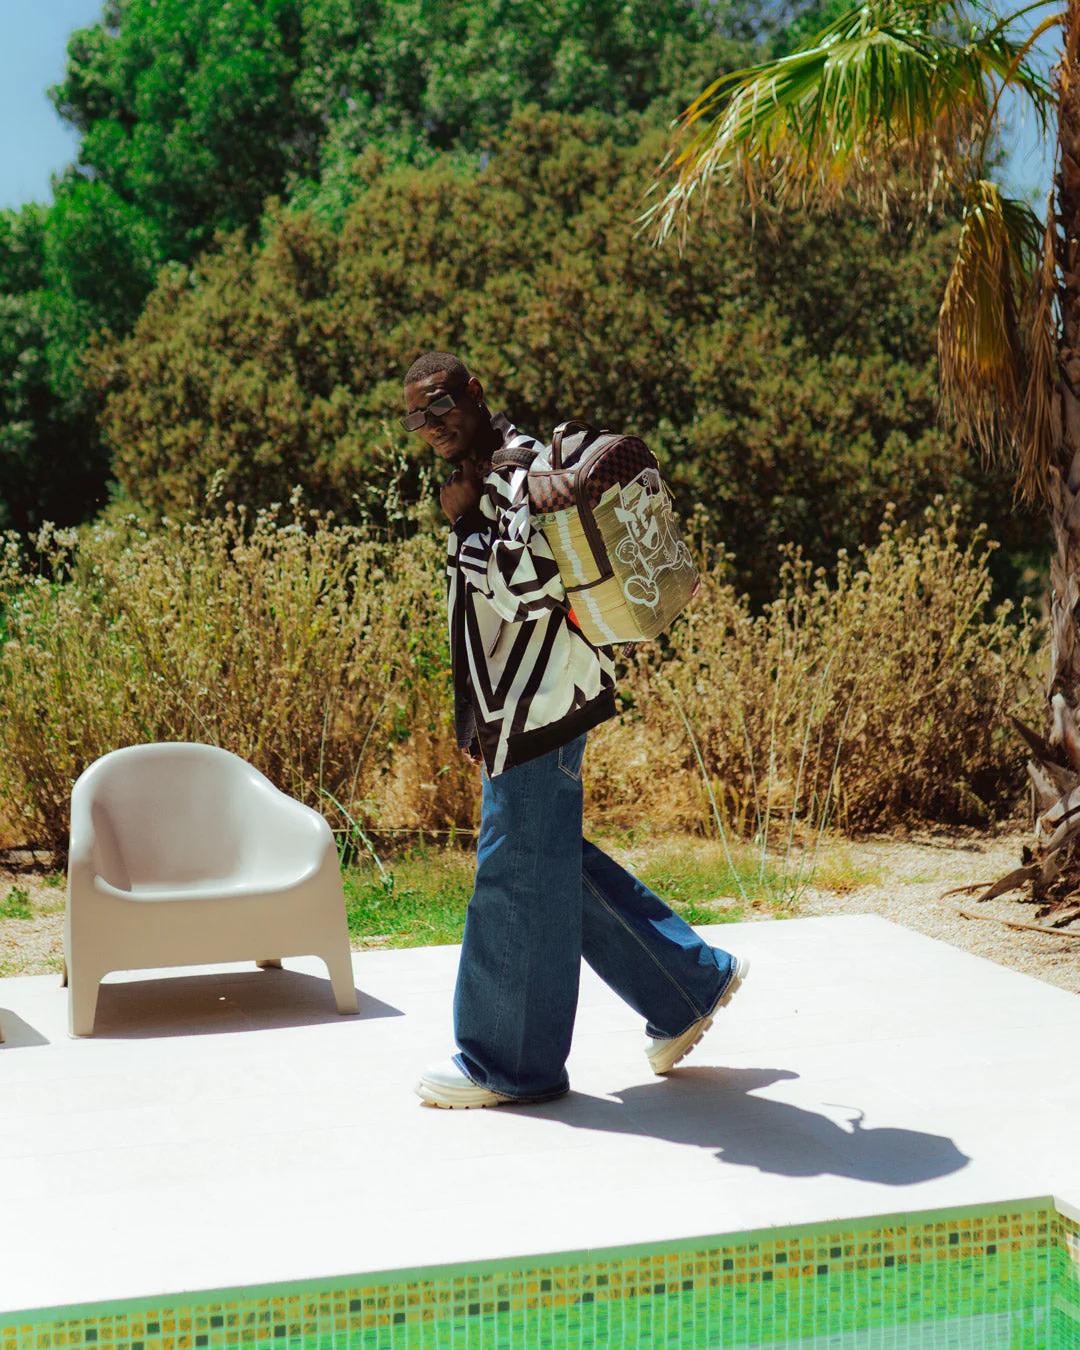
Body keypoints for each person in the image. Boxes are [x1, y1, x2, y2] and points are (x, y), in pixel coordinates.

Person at [401, 350, 749, 1108]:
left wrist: (463, 525)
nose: (430, 424)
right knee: (548, 859)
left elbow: (525, 589)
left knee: (515, 875)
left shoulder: (513, 472)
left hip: (541, 706)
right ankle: (687, 984)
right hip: (525, 705)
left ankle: (508, 1062)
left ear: (474, 392)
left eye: (440, 405)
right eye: (416, 416)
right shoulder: (486, 472)